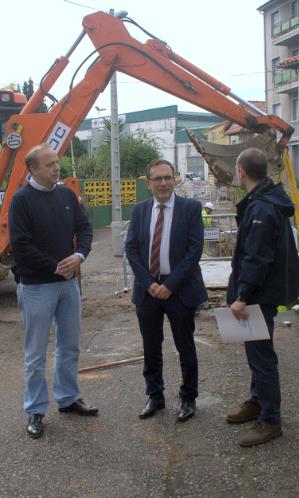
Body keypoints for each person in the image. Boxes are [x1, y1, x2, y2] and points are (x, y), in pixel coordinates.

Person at [8, 143, 98, 439]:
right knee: (35, 353)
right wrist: (56, 266)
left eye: (57, 162)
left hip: (67, 285)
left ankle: (68, 398)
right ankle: (35, 410)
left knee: (69, 345)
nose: (56, 167)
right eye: (49, 164)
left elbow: (85, 229)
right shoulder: (21, 201)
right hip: (37, 287)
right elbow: (20, 246)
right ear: (32, 169)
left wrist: (80, 256)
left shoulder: (66, 195)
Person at [226, 148, 299, 447]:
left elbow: (257, 257)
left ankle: (270, 420)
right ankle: (258, 401)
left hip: (258, 295)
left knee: (261, 357)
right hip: (264, 292)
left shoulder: (262, 209)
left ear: (241, 171)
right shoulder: (265, 202)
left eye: (235, 167)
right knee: (258, 353)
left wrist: (242, 296)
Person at [125, 159, 208, 422]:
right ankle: (155, 395)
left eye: (167, 177)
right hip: (147, 291)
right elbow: (132, 249)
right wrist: (149, 283)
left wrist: (169, 286)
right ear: (148, 183)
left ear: (175, 179)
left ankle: (188, 397)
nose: (163, 183)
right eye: (157, 178)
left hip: (180, 291)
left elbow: (195, 250)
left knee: (185, 347)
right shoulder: (139, 210)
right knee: (151, 347)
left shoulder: (191, 209)